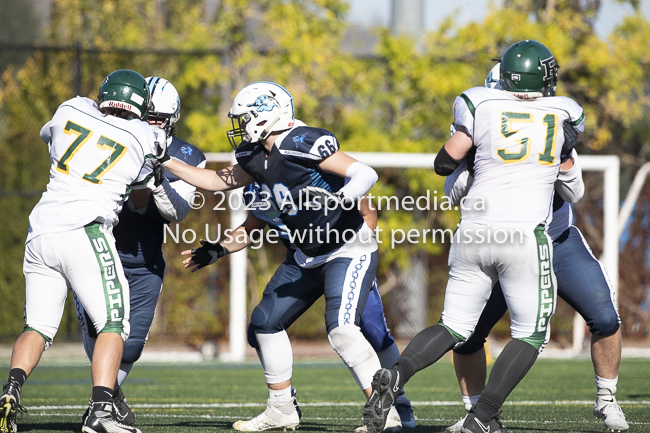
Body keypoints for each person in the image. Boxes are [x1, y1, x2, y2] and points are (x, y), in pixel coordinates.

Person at [362, 40, 585, 433]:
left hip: (473, 233)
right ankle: (482, 416)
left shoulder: (480, 104)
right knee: (531, 333)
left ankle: (396, 375)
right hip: (523, 235)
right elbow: (571, 188)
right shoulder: (564, 111)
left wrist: (474, 151)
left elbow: (443, 161)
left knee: (454, 326)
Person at [159, 81, 397, 431]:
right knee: (265, 323)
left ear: (267, 116)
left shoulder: (302, 142)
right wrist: (167, 162)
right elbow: (213, 181)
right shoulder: (257, 157)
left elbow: (365, 173)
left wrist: (344, 197)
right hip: (304, 256)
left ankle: (388, 417)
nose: (240, 127)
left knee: (344, 331)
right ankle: (282, 408)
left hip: (347, 248)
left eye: (245, 118)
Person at [442, 63, 628, 433]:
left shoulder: (550, 123)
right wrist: (470, 169)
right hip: (508, 243)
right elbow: (452, 192)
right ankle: (476, 414)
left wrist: (560, 160)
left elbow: (573, 189)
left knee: (605, 318)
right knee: (466, 334)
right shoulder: (481, 130)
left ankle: (607, 399)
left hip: (556, 239)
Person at [0, 69, 163, 433]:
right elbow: (141, 193)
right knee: (114, 323)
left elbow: (50, 134)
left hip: (41, 229)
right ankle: (102, 412)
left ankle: (11, 389)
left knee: (37, 327)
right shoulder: (142, 135)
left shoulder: (70, 108)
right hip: (85, 230)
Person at [182, 183, 415, 431]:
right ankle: (282, 406)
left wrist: (361, 251)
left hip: (343, 255)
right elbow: (251, 227)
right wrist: (219, 249)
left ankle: (395, 405)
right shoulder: (258, 185)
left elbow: (367, 210)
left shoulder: (305, 170)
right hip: (302, 262)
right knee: (262, 325)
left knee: (372, 331)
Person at [72, 76, 206, 426]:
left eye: (157, 119)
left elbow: (176, 212)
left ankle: (107, 401)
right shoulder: (107, 137)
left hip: (145, 258)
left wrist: (154, 173)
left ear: (171, 120)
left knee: (130, 347)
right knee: (100, 335)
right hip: (99, 249)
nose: (149, 125)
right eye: (144, 116)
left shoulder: (189, 156)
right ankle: (103, 405)